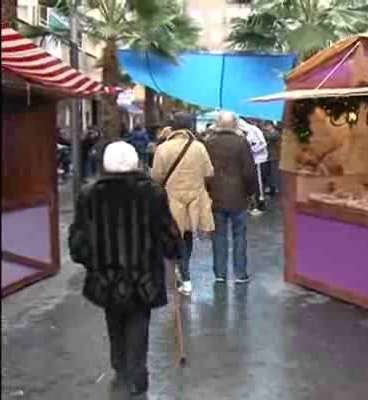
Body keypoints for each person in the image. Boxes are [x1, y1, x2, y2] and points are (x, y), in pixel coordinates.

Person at [68, 141, 183, 396]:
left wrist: (91, 260)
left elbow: (78, 240)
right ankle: (136, 375)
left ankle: (120, 369)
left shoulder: (90, 194)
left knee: (114, 319)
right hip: (142, 274)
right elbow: (167, 232)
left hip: (105, 275)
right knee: (139, 321)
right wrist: (174, 250)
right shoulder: (152, 193)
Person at [151, 112, 215, 295]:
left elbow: (156, 176)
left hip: (171, 199)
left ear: (173, 127)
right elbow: (209, 172)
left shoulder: (163, 148)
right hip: (194, 200)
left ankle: (179, 273)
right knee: (187, 237)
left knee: (173, 235)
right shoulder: (199, 147)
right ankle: (185, 275)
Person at [205, 111, 257, 284]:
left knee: (218, 235)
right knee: (239, 235)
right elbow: (249, 172)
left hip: (216, 196)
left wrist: (207, 191)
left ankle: (220, 273)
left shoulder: (209, 143)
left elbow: (205, 172)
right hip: (238, 196)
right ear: (235, 124)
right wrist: (251, 192)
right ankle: (240, 273)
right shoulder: (242, 143)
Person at [238, 117, 268, 216]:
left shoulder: (254, 130)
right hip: (249, 161)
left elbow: (263, 143)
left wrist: (252, 150)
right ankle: (253, 204)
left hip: (259, 160)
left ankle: (261, 205)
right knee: (252, 183)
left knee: (259, 183)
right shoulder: (240, 132)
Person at [262, 121, 281, 196]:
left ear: (271, 126)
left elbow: (271, 137)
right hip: (268, 156)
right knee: (268, 173)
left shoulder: (276, 133)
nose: (266, 127)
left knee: (274, 173)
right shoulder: (267, 133)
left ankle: (275, 187)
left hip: (274, 156)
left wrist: (263, 131)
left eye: (267, 126)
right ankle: (269, 187)